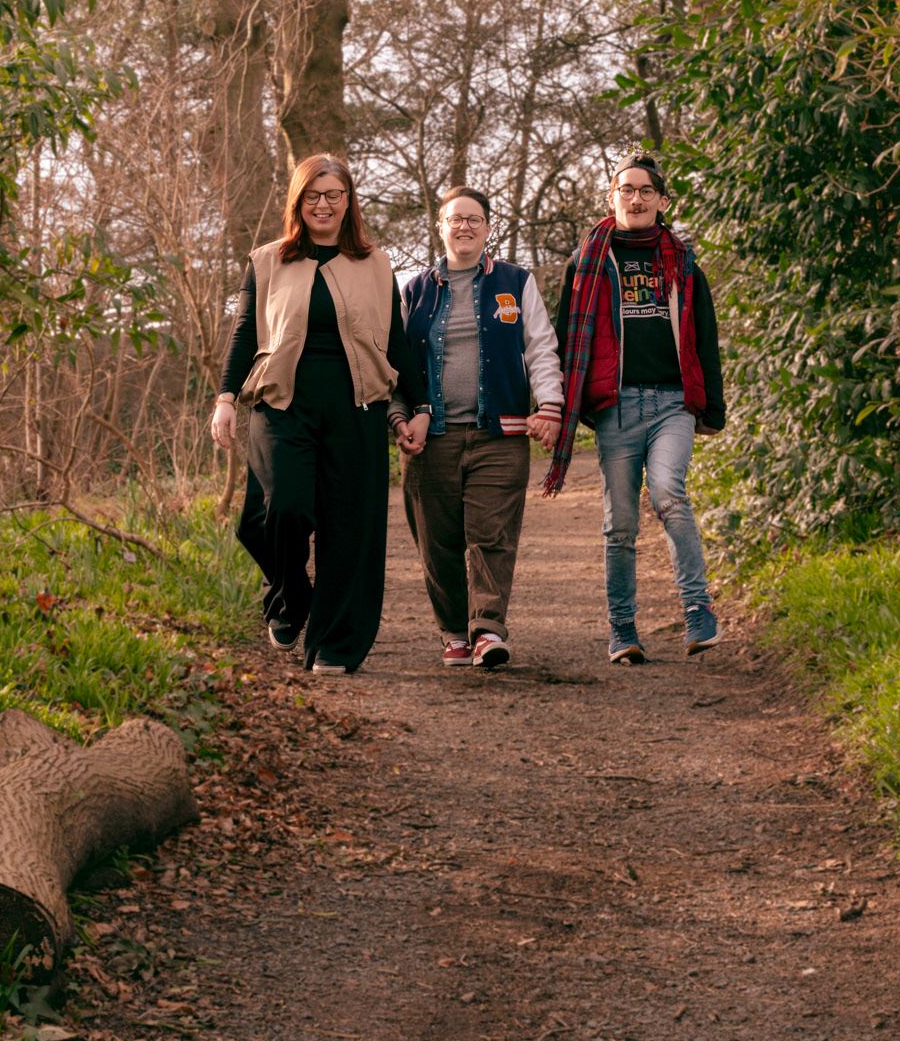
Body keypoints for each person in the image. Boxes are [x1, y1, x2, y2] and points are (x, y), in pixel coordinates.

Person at [210, 154, 428, 675]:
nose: (324, 204)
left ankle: (335, 643)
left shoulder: (375, 263)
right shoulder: (267, 260)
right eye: (313, 196)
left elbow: (396, 341)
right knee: (282, 508)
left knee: (349, 525)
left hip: (358, 405)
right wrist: (224, 400)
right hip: (282, 400)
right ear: (298, 202)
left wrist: (418, 407)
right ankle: (290, 596)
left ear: (348, 202)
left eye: (334, 195)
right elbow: (244, 336)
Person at [545, 152, 726, 664]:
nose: (636, 198)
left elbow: (704, 338)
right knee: (620, 523)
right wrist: (559, 405)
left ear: (662, 201)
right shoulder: (586, 262)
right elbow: (565, 340)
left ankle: (698, 612)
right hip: (615, 407)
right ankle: (622, 630)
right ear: (612, 197)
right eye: (626, 189)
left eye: (647, 191)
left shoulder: (683, 262)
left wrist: (711, 407)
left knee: (669, 492)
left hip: (672, 401)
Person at [393, 186, 563, 669]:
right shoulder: (415, 291)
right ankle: (453, 632)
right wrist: (403, 416)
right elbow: (399, 364)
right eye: (454, 219)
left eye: (474, 219)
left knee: (490, 536)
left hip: (501, 435)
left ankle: (487, 628)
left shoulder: (515, 281)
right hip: (432, 441)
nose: (464, 227)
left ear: (488, 228)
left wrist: (549, 405)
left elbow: (540, 348)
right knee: (438, 542)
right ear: (440, 228)